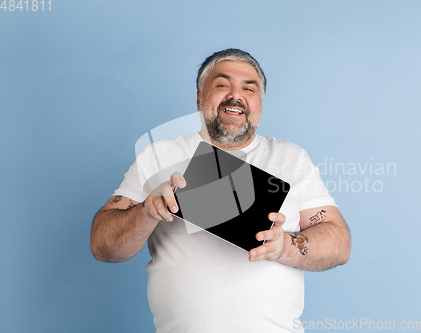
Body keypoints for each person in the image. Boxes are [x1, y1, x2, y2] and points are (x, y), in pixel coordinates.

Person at [90, 48, 351, 332]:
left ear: (260, 103)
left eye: (248, 88)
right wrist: (147, 212)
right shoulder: (159, 156)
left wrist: (285, 246)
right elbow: (103, 247)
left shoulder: (291, 157)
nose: (235, 95)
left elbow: (339, 243)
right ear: (200, 97)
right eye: (222, 84)